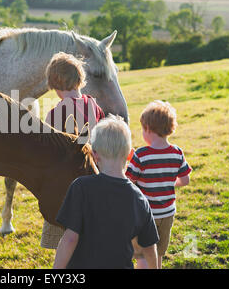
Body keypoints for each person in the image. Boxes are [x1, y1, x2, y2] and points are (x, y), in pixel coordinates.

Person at [53, 115, 159, 269]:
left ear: (94, 154)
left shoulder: (81, 187)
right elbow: (149, 248)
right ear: (130, 154)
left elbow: (70, 239)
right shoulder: (139, 198)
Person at [40, 52, 105, 250]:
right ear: (79, 78)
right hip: (94, 176)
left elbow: (49, 153)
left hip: (67, 186)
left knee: (65, 241)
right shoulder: (93, 104)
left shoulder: (56, 113)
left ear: (53, 83)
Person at [126, 100, 192, 269]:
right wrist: (169, 183)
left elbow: (128, 182)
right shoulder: (177, 152)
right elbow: (185, 180)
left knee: (142, 254)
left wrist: (128, 162)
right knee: (158, 254)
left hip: (147, 214)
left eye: (142, 129)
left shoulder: (141, 155)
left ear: (148, 128)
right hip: (168, 213)